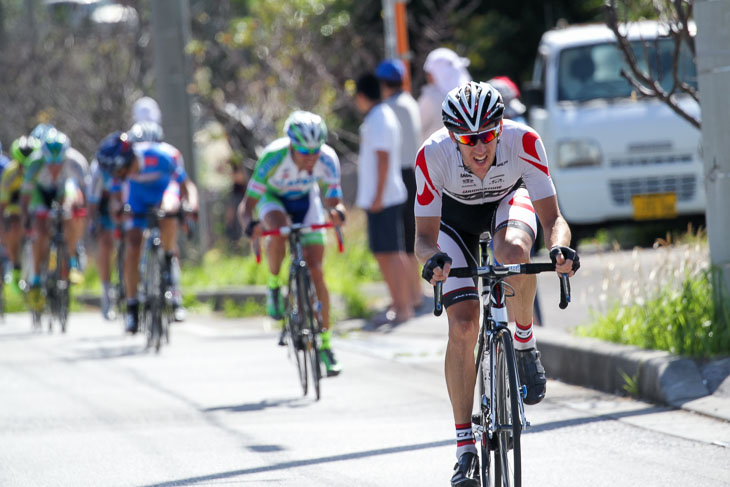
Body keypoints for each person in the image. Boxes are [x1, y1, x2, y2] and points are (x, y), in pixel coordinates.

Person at [414, 81, 580, 486]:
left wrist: (559, 249)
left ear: (501, 127)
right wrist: (432, 260)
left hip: (509, 201)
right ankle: (464, 448)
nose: (480, 147)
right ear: (453, 136)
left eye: (489, 134)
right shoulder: (431, 155)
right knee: (464, 324)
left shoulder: (523, 141)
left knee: (513, 254)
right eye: (469, 139)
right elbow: (421, 238)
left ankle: (524, 343)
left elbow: (553, 220)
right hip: (453, 221)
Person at [238, 110, 346, 377]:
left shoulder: (328, 159)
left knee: (316, 271)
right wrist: (249, 225)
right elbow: (247, 206)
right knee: (276, 229)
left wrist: (338, 214)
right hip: (274, 200)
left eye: (315, 151)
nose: (311, 158)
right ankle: (274, 285)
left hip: (306, 201)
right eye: (304, 152)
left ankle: (326, 345)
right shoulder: (272, 158)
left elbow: (334, 201)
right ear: (291, 146)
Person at [95, 131, 198, 334]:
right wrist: (117, 208)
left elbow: (186, 185)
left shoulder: (158, 156)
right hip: (138, 196)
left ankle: (168, 258)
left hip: (164, 190)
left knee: (168, 213)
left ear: (128, 159)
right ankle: (133, 307)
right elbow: (116, 197)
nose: (120, 176)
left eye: (122, 172)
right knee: (133, 244)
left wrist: (192, 208)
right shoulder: (118, 171)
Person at [354, 73, 413, 324]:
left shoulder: (379, 117)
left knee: (391, 252)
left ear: (361, 96)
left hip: (384, 198)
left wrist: (377, 195)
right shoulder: (380, 115)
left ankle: (404, 307)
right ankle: (398, 303)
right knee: (384, 252)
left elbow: (383, 158)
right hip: (381, 196)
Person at [375, 59, 425, 312]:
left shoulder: (390, 108)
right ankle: (415, 295)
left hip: (402, 173)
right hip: (413, 172)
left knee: (403, 240)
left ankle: (411, 297)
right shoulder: (409, 102)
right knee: (408, 238)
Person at [21, 128, 90, 311]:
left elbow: (83, 194)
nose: (54, 168)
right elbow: (26, 195)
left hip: (64, 192)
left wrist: (79, 213)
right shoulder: (34, 163)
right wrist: (27, 217)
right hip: (41, 194)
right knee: (41, 230)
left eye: (58, 164)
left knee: (72, 210)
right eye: (50, 164)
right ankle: (36, 276)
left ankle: (72, 256)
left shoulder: (76, 162)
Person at [0, 136, 40, 292]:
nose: (26, 168)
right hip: (15, 209)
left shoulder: (40, 170)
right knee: (13, 226)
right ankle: (15, 265)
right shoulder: (10, 173)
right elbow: (3, 204)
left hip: (36, 208)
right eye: (23, 165)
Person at [418, 47, 471, 144]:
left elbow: (417, 127)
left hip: (437, 155)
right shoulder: (470, 94)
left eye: (430, 73)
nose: (428, 77)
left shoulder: (431, 98)